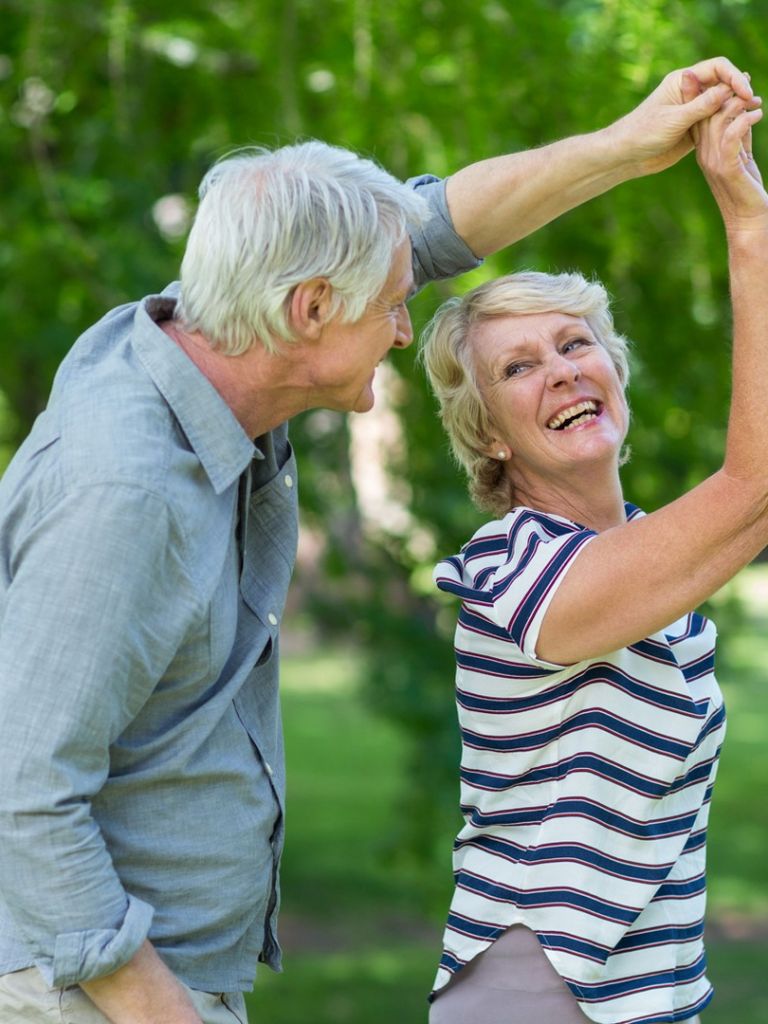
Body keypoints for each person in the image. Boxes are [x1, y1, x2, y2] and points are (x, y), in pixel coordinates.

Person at [0, 59, 756, 1024]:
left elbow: (433, 227)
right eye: (392, 305)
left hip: (164, 974)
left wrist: (623, 145)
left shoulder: (215, 326)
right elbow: (23, 796)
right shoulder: (128, 489)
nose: (404, 331)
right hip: (86, 993)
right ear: (311, 310)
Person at [420, 80, 766, 1024]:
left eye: (576, 344)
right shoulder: (508, 568)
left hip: (648, 1001)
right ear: (489, 434)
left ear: (614, 371)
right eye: (517, 368)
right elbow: (757, 486)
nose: (563, 369)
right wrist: (745, 218)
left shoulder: (658, 565)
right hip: (532, 996)